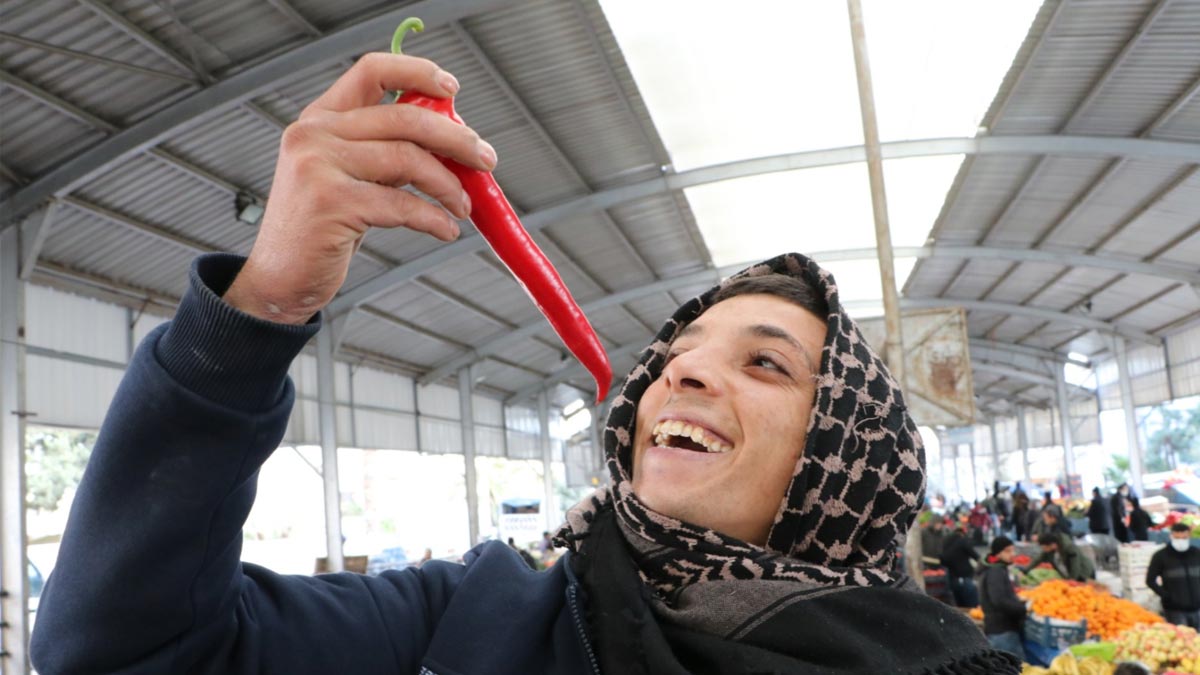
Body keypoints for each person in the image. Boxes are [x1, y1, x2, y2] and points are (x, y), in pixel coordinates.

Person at [29, 47, 1021, 675]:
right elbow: (123, 653)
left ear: (846, 462)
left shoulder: (944, 664)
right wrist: (259, 311)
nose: (678, 372)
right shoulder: (473, 620)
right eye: (674, 355)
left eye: (765, 365)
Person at [979, 536, 1027, 663]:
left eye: (1013, 550)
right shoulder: (995, 572)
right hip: (1002, 630)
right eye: (1008, 551)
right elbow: (999, 600)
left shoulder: (998, 569)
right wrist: (1022, 609)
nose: (1013, 554)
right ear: (998, 553)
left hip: (1000, 629)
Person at [1146, 522, 1200, 629]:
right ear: (1171, 536)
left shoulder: (1197, 553)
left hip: (1197, 607)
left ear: (1189, 536)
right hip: (1175, 609)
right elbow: (1150, 580)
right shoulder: (1160, 556)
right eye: (1177, 537)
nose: (1181, 541)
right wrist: (1166, 596)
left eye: (1184, 537)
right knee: (1181, 639)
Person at [940, 527, 981, 607]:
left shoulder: (945, 543)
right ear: (961, 534)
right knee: (971, 603)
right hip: (965, 575)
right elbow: (975, 556)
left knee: (959, 602)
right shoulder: (962, 541)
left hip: (952, 577)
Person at [1030, 532, 1096, 582]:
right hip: (1072, 575)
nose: (1044, 550)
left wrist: (1071, 581)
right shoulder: (1051, 549)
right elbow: (1039, 559)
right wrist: (1025, 571)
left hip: (1085, 572)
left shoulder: (1069, 548)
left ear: (1053, 545)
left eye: (1044, 547)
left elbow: (1075, 567)